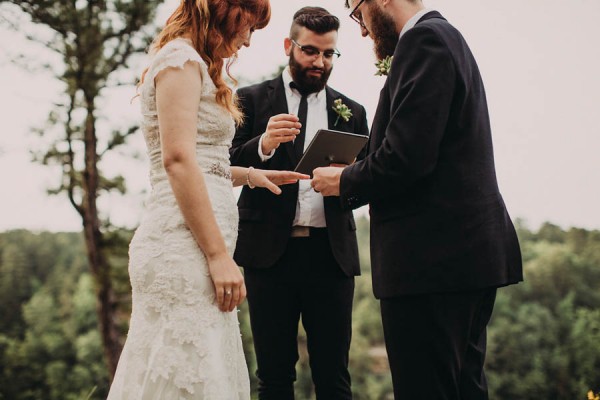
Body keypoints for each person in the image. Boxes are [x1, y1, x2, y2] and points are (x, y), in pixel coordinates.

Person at [312, 0, 523, 399]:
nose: (361, 30)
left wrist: (343, 180)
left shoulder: (424, 41)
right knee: (463, 389)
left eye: (358, 13)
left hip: (432, 263)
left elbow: (407, 157)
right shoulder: (446, 39)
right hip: (461, 262)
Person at [106, 1, 309, 399]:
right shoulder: (180, 61)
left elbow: (203, 161)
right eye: (248, 26)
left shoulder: (195, 63)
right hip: (184, 248)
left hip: (200, 248)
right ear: (225, 9)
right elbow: (178, 162)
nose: (248, 40)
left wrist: (250, 174)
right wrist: (219, 256)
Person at [229, 6, 369, 399]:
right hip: (269, 255)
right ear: (289, 45)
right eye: (310, 51)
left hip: (331, 256)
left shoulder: (353, 112)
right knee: (273, 374)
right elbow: (219, 166)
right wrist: (264, 145)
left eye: (329, 54)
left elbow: (367, 185)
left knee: (334, 376)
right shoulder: (250, 99)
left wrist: (347, 181)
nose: (319, 62)